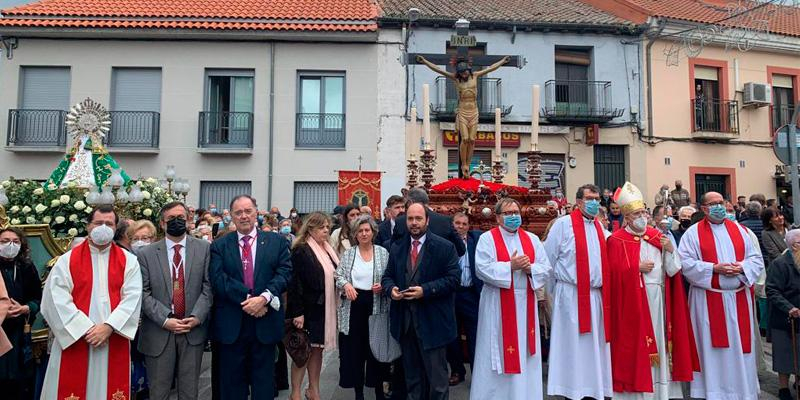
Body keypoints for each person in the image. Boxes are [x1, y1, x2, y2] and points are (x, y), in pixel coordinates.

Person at [40, 204, 143, 399]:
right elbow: (55, 299)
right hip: (76, 338)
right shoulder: (66, 261)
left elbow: (133, 298)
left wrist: (108, 327)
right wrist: (85, 328)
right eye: (98, 223)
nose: (103, 227)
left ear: (115, 228)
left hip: (113, 338)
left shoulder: (129, 261)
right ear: (87, 226)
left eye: (109, 224)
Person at [607, 182, 698, 399]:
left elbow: (674, 270)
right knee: (636, 345)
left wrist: (669, 249)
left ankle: (660, 390)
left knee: (659, 341)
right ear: (627, 218)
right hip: (632, 302)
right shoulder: (616, 240)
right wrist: (633, 269)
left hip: (658, 300)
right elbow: (610, 274)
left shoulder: (658, 237)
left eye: (644, 213)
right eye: (637, 214)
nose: (642, 217)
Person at [677, 191, 764, 400]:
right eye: (713, 204)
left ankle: (743, 391)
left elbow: (756, 259)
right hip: (708, 300)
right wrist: (714, 268)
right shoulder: (693, 233)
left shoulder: (741, 230)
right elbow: (685, 264)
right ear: (704, 209)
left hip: (738, 298)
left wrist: (741, 267)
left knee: (740, 348)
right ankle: (714, 392)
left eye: (722, 203)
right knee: (711, 350)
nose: (719, 207)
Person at [209, 195, 292, 400]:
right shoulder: (220, 245)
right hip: (231, 324)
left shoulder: (277, 242)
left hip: (265, 322)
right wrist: (250, 299)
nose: (244, 216)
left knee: (264, 384)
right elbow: (218, 279)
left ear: (257, 213)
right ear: (231, 217)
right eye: (238, 212)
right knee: (231, 385)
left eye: (248, 211)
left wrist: (263, 298)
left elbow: (284, 273)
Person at [470, 198, 552, 400]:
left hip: (526, 306)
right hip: (497, 305)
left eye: (516, 212)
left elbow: (546, 268)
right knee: (496, 353)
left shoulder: (532, 239)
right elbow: (482, 269)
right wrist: (510, 266)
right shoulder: (488, 239)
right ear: (498, 217)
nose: (513, 216)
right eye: (508, 213)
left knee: (525, 355)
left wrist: (529, 268)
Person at [382, 203, 460, 400]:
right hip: (406, 326)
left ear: (427, 220)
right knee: (413, 380)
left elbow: (453, 280)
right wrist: (391, 290)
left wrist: (425, 290)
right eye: (410, 219)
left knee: (438, 383)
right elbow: (387, 277)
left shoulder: (445, 247)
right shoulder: (397, 248)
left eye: (418, 219)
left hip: (434, 325)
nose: (414, 223)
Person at [138, 202, 213, 400]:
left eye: (181, 217)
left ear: (189, 220)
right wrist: (165, 319)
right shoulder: (145, 254)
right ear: (162, 224)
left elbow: (209, 287)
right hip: (159, 330)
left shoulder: (204, 249)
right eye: (171, 219)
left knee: (189, 393)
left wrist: (197, 317)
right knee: (159, 392)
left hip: (192, 330)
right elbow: (142, 293)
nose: (177, 222)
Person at [543, 184, 612, 400]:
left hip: (596, 295)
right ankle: (570, 390)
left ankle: (593, 388)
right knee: (572, 345)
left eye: (597, 199)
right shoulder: (563, 225)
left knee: (594, 345)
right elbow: (548, 260)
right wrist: (554, 293)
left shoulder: (600, 228)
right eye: (590, 198)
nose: (594, 203)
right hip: (570, 294)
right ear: (579, 201)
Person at [335, 215, 390, 400]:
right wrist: (346, 285)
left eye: (367, 230)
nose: (364, 233)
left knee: (376, 351)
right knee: (355, 352)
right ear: (355, 234)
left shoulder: (383, 252)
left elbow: (390, 276)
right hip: (353, 307)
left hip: (376, 306)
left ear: (373, 232)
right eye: (360, 231)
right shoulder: (349, 254)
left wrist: (383, 285)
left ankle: (378, 392)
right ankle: (359, 393)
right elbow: (338, 275)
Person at [287, 211, 339, 400]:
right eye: (322, 227)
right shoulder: (301, 249)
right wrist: (297, 312)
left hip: (324, 308)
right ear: (311, 228)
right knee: (302, 352)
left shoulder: (327, 248)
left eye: (328, 227)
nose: (326, 230)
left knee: (317, 350)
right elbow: (295, 283)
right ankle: (295, 392)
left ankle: (314, 390)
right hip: (307, 309)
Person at [0, 227, 42, 400]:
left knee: (19, 382)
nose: (10, 245)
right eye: (4, 241)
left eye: (15, 241)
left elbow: (38, 298)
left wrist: (26, 308)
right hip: (0, 330)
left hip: (19, 332)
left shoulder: (26, 266)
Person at [447, 212, 483, 386]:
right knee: (452, 335)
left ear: (469, 226)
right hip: (452, 294)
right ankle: (457, 370)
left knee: (475, 335)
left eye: (464, 224)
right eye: (457, 223)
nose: (460, 226)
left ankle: (478, 373)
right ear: (452, 225)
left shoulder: (476, 239)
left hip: (471, 294)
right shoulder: (446, 241)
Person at [766, 229, 800, 400]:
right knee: (784, 355)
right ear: (793, 245)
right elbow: (772, 290)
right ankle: (783, 388)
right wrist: (788, 307)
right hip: (784, 317)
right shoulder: (780, 264)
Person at [389, 188, 466, 257]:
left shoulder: (400, 221)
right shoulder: (445, 221)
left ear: (410, 202)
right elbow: (460, 250)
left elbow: (392, 249)